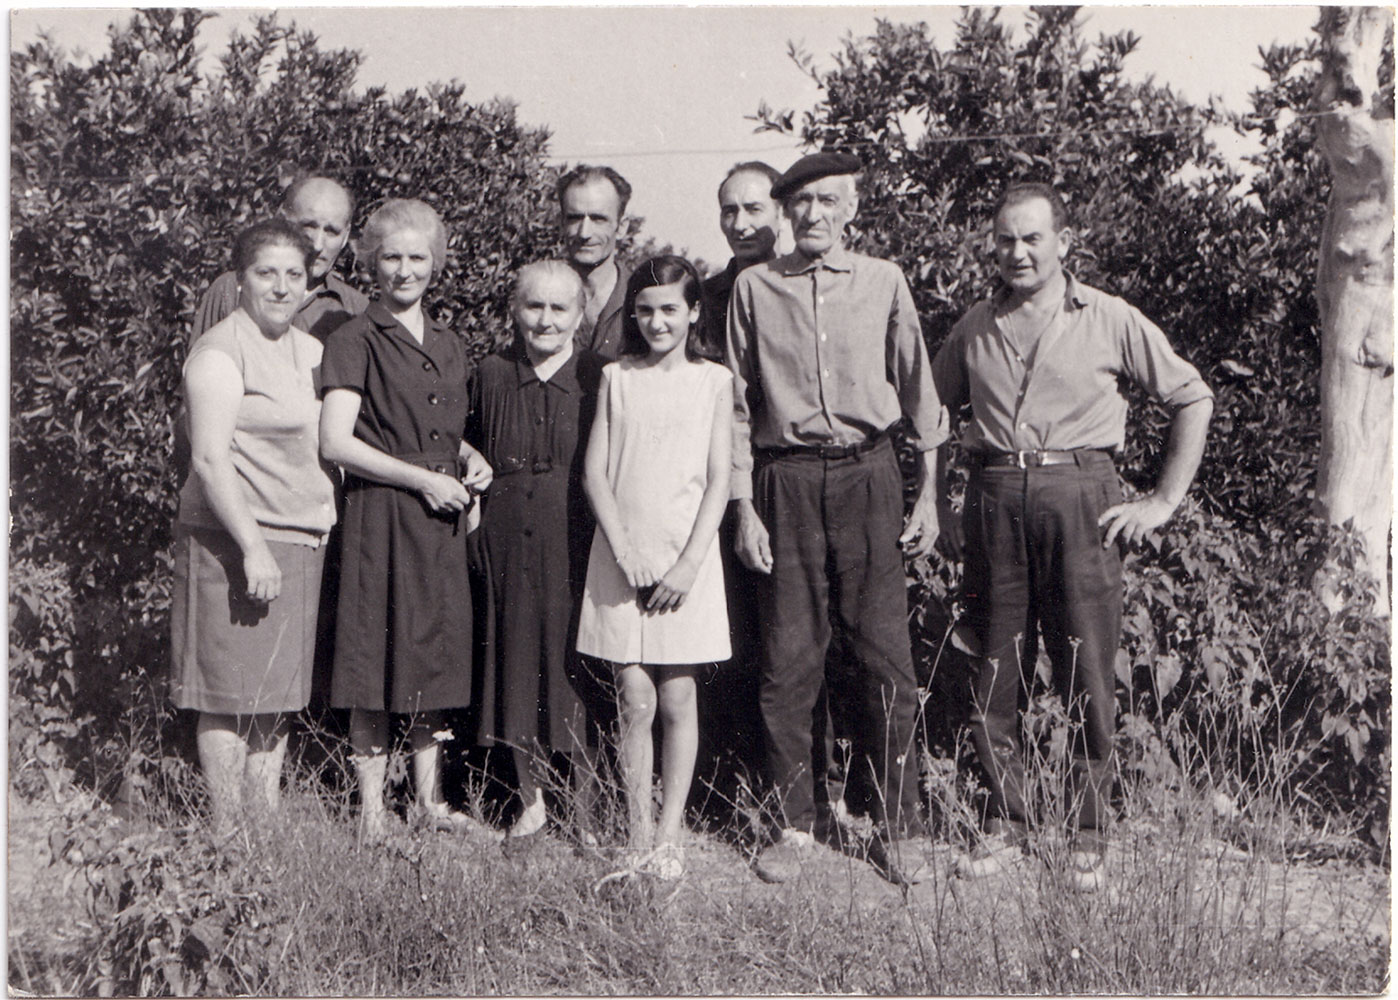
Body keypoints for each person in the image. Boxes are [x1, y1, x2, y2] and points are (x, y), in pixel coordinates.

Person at [932, 182, 1214, 892]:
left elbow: (1191, 396)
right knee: (994, 664)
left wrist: (1163, 501)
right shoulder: (974, 325)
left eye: (1032, 238)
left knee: (1085, 662)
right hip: (996, 495)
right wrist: (936, 505)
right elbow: (932, 416)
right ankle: (1005, 821)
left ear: (1064, 241)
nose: (1018, 252)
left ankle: (1088, 830)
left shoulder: (1109, 317)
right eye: (1005, 239)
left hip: (1082, 495)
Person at [726, 151, 947, 884]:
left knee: (884, 657)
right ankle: (795, 822)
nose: (814, 214)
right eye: (802, 203)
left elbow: (919, 393)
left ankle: (900, 825)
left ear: (851, 209)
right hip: (784, 482)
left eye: (829, 201)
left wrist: (927, 494)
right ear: (785, 213)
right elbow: (736, 406)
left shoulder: (883, 280)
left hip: (869, 475)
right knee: (789, 659)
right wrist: (744, 508)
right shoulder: (755, 288)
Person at [319, 198, 494, 843]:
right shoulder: (353, 339)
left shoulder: (449, 342)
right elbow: (336, 442)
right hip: (382, 516)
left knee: (432, 657)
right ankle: (370, 814)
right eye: (391, 256)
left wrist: (468, 458)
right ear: (370, 262)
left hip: (440, 521)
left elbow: (437, 431)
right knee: (372, 661)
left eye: (417, 257)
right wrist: (423, 479)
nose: (404, 269)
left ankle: (428, 802)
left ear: (435, 263)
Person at [171, 218, 337, 832]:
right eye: (266, 273)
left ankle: (261, 829)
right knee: (226, 693)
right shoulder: (219, 352)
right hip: (233, 544)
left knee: (275, 694)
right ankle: (225, 832)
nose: (281, 286)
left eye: (294, 274)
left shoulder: (312, 351)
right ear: (239, 280)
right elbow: (210, 460)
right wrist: (252, 547)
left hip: (299, 540)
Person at [577, 255, 733, 880]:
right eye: (644, 310)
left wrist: (688, 564)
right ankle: (638, 832)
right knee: (633, 696)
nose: (656, 322)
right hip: (624, 556)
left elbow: (719, 479)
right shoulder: (617, 377)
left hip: (684, 559)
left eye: (670, 309)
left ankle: (670, 836)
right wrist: (624, 551)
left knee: (677, 694)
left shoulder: (713, 381)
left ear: (693, 312)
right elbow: (595, 473)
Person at [468, 261, 605, 838]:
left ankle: (585, 810)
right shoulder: (491, 373)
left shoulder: (599, 374)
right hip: (505, 539)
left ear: (580, 314)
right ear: (514, 310)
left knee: (578, 669)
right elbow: (461, 441)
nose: (546, 320)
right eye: (534, 306)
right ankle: (532, 802)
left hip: (576, 538)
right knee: (516, 662)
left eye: (559, 307)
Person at [191, 176, 368, 344]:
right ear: (285, 220)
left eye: (332, 232)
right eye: (308, 226)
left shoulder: (355, 310)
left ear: (345, 236)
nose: (317, 245)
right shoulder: (230, 290)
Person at [558, 165, 633, 360]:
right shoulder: (541, 297)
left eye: (598, 219)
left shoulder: (642, 298)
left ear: (621, 226)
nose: (584, 233)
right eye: (575, 219)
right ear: (562, 223)